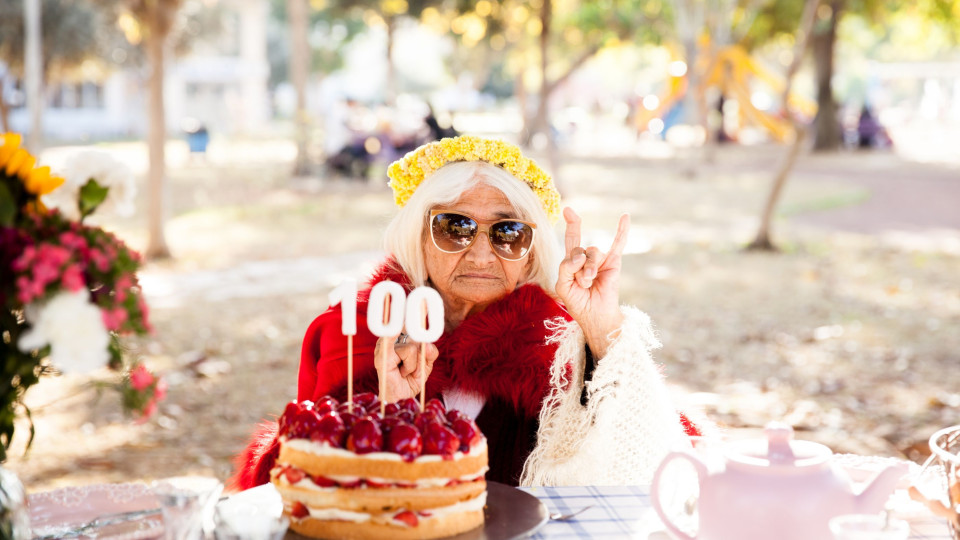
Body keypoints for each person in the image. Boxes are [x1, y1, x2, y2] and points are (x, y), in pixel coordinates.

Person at [233, 135, 705, 489]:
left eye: (507, 233)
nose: (481, 256)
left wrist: (603, 333)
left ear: (530, 252)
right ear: (418, 237)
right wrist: (380, 411)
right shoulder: (355, 330)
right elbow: (288, 479)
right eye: (455, 227)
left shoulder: (562, 342)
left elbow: (670, 463)